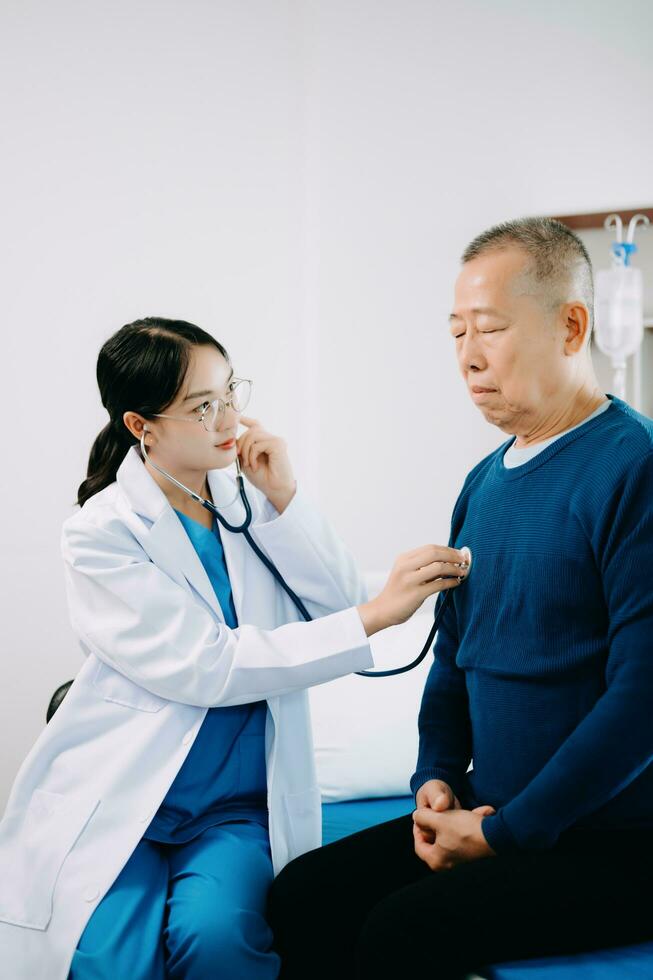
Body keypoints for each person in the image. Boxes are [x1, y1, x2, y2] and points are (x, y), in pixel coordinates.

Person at [0, 317, 469, 979]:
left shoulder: (248, 498)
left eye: (229, 394)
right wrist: (373, 615)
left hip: (232, 808)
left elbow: (332, 604)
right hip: (122, 796)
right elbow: (208, 664)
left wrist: (285, 496)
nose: (228, 418)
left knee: (217, 941)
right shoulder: (99, 534)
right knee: (108, 959)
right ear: (142, 426)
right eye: (202, 406)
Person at [268, 218, 653, 979]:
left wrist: (507, 834)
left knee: (402, 933)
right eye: (454, 334)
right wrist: (434, 782)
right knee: (301, 897)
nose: (468, 358)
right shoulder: (482, 482)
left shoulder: (630, 468)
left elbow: (640, 698)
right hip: (489, 810)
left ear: (571, 325)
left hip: (611, 840)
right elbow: (451, 663)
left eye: (490, 329)